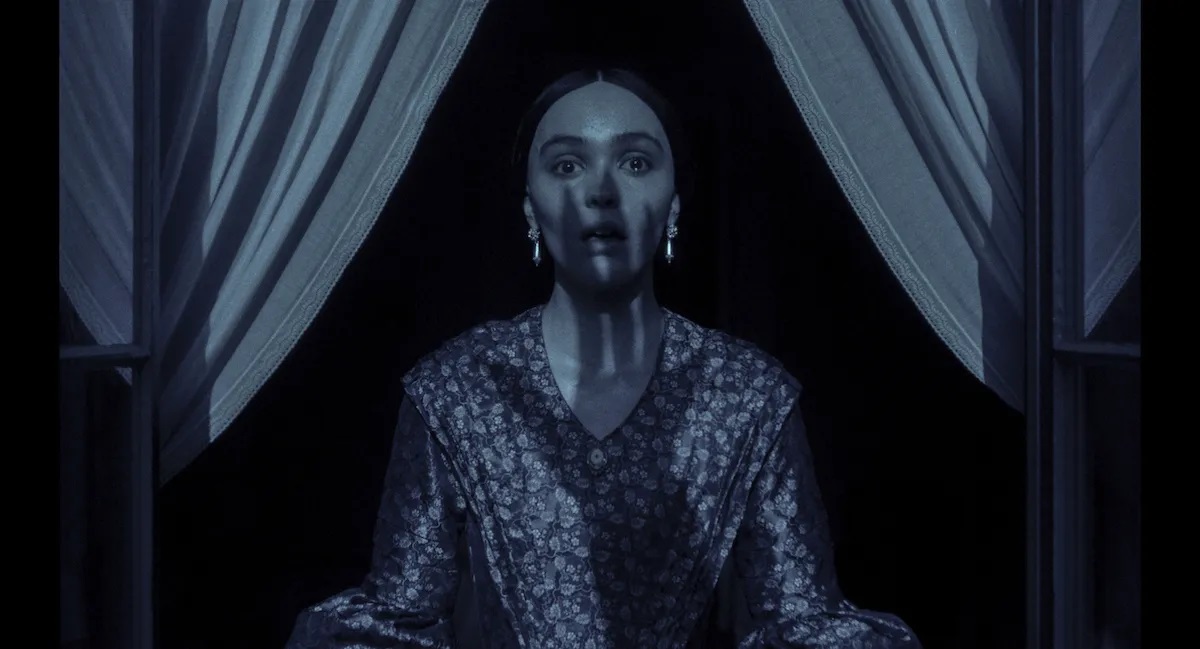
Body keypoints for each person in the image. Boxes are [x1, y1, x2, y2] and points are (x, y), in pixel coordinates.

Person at [286, 68, 922, 649]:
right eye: (567, 165)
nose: (602, 191)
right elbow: (397, 623)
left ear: (674, 202)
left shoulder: (746, 394)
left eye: (635, 162)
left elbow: (804, 624)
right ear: (530, 205)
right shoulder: (459, 389)